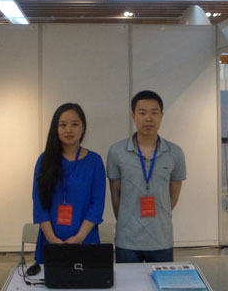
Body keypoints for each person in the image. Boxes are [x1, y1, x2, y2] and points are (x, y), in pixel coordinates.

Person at [107, 90, 186, 263]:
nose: (148, 118)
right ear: (133, 116)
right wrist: (128, 218)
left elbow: (173, 196)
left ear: (161, 116)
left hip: (161, 239)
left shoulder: (175, 153)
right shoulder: (117, 151)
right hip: (127, 240)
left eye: (154, 113)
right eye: (142, 113)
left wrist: (160, 213)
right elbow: (115, 196)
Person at [32, 103, 106, 264]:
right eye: (63, 125)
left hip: (85, 240)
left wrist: (79, 238)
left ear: (83, 127)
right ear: (55, 128)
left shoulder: (95, 161)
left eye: (74, 124)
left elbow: (97, 205)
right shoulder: (44, 160)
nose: (68, 130)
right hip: (50, 241)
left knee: (87, 279)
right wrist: (53, 240)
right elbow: (39, 204)